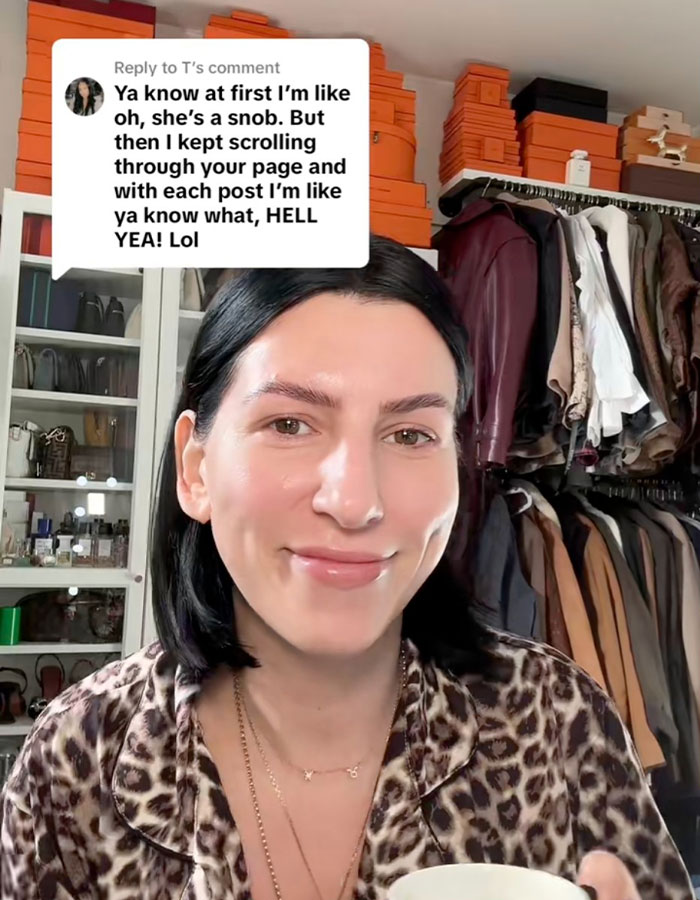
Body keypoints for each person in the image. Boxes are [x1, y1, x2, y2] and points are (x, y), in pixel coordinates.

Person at [0, 237, 693, 900]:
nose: (356, 501)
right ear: (196, 468)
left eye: (410, 434)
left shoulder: (555, 718)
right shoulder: (79, 757)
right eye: (289, 425)